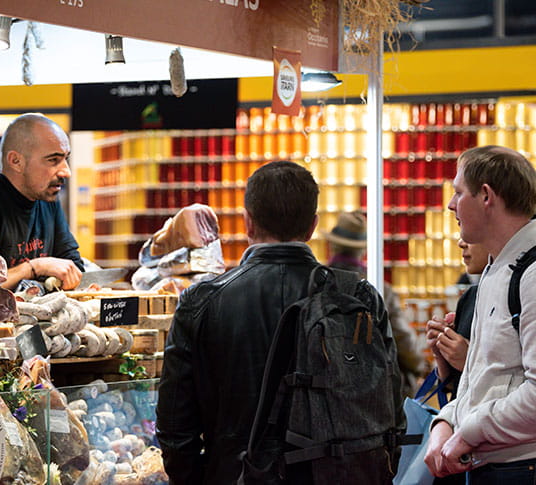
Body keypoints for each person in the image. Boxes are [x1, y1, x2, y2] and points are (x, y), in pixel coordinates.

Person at [156, 161, 404, 484]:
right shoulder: (359, 297)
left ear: (248, 222)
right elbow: (392, 412)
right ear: (313, 226)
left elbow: (175, 430)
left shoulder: (200, 303)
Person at [424, 145, 536, 484]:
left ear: (486, 196)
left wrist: (468, 430)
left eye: (459, 192)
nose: (450, 204)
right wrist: (446, 422)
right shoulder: (497, 269)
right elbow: (483, 378)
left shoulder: (529, 274)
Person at [0, 113, 83, 291]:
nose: (66, 172)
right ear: (16, 161)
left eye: (65, 159)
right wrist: (34, 268)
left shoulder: (48, 199)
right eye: (53, 160)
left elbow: (72, 266)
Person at [325, 210, 426, 397]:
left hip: (326, 389)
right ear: (363, 250)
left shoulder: (317, 283)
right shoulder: (380, 288)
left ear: (331, 246)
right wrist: (420, 367)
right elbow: (403, 341)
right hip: (372, 391)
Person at [425, 240, 488, 485]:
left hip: (487, 446)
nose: (462, 243)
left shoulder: (520, 289)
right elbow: (455, 386)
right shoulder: (471, 297)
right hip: (458, 441)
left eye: (472, 237)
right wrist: (442, 355)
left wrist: (467, 359)